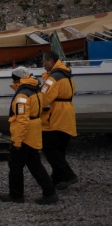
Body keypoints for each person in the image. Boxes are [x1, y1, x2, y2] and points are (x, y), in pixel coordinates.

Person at [0, 68, 58, 204]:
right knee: (34, 164)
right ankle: (49, 192)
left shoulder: (22, 96)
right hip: (34, 132)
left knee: (15, 164)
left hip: (25, 134)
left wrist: (17, 141)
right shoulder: (35, 90)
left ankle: (16, 195)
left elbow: (22, 120)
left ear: (16, 80)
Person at [39, 51, 78, 190]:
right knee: (60, 148)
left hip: (56, 116)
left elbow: (43, 98)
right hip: (67, 113)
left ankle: (69, 175)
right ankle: (56, 178)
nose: (43, 65)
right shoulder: (67, 75)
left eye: (44, 62)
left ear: (50, 61)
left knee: (49, 147)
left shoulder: (53, 78)